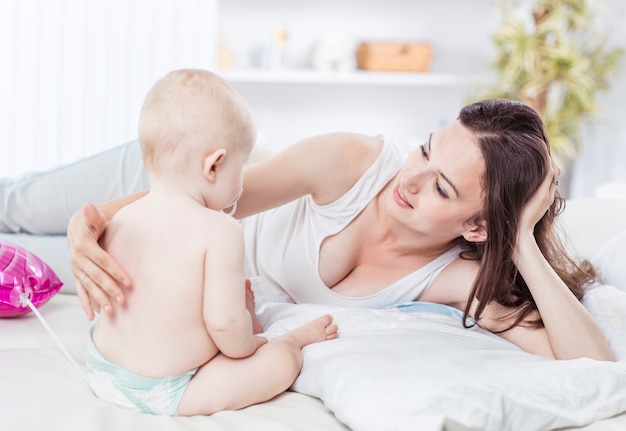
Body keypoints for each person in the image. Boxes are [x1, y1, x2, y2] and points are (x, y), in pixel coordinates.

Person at [0, 96, 614, 362]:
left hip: (177, 255)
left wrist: (524, 239)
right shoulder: (352, 161)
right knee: (17, 203)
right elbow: (218, 205)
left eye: (442, 188)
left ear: (479, 228)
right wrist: (97, 223)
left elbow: (590, 360)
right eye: (426, 150)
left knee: (17, 254)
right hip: (179, 177)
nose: (413, 177)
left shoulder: (453, 279)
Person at [84, 69, 339, 416]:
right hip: (165, 390)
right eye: (242, 165)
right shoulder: (221, 229)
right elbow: (226, 328)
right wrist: (254, 340)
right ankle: (292, 342)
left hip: (103, 370)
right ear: (214, 165)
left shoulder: (122, 217)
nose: (243, 178)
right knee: (280, 362)